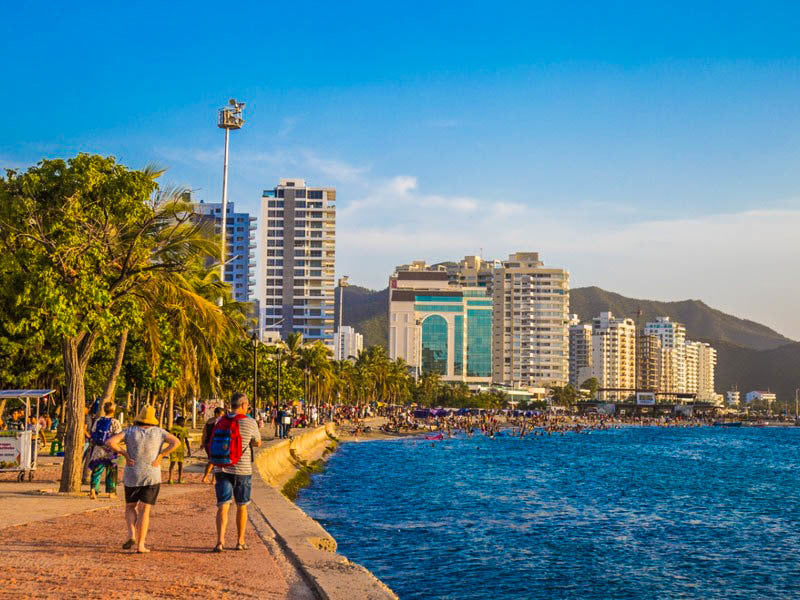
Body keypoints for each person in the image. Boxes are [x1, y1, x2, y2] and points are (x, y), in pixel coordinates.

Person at [105, 405, 180, 553]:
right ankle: (141, 545)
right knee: (145, 510)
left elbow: (110, 442)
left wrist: (125, 454)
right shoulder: (159, 432)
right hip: (152, 474)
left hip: (132, 473)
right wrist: (161, 455)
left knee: (130, 506)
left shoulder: (129, 431)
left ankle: (131, 534)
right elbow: (176, 442)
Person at [211, 392, 261, 552]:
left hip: (221, 467)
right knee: (242, 505)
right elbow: (258, 442)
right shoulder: (250, 422)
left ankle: (220, 542)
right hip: (242, 469)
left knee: (223, 505)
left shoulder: (220, 420)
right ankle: (240, 541)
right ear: (244, 405)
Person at [87, 402, 122, 499]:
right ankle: (111, 492)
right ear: (113, 410)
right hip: (112, 450)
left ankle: (93, 489)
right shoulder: (116, 422)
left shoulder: (98, 420)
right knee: (112, 470)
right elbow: (118, 436)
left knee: (97, 470)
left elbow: (93, 433)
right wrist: (118, 450)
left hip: (98, 450)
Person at [201, 407, 224, 484]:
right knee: (214, 461)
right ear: (217, 414)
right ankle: (211, 479)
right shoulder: (219, 422)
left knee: (211, 460)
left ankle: (207, 477)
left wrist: (202, 443)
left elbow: (204, 433)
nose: (222, 416)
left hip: (207, 443)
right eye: (221, 414)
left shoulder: (208, 421)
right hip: (215, 443)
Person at [167, 416, 191, 484]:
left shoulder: (172, 428)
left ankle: (170, 479)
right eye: (183, 422)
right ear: (181, 422)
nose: (184, 423)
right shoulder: (184, 430)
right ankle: (180, 479)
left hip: (173, 448)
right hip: (180, 449)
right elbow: (186, 440)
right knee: (180, 464)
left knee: (172, 464)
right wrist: (189, 450)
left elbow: (170, 438)